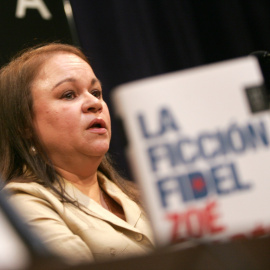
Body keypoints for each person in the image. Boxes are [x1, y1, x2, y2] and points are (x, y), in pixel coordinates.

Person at [0, 43, 154, 265]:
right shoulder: (23, 205)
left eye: (96, 92)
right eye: (69, 94)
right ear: (24, 125)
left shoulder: (136, 193)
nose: (94, 103)